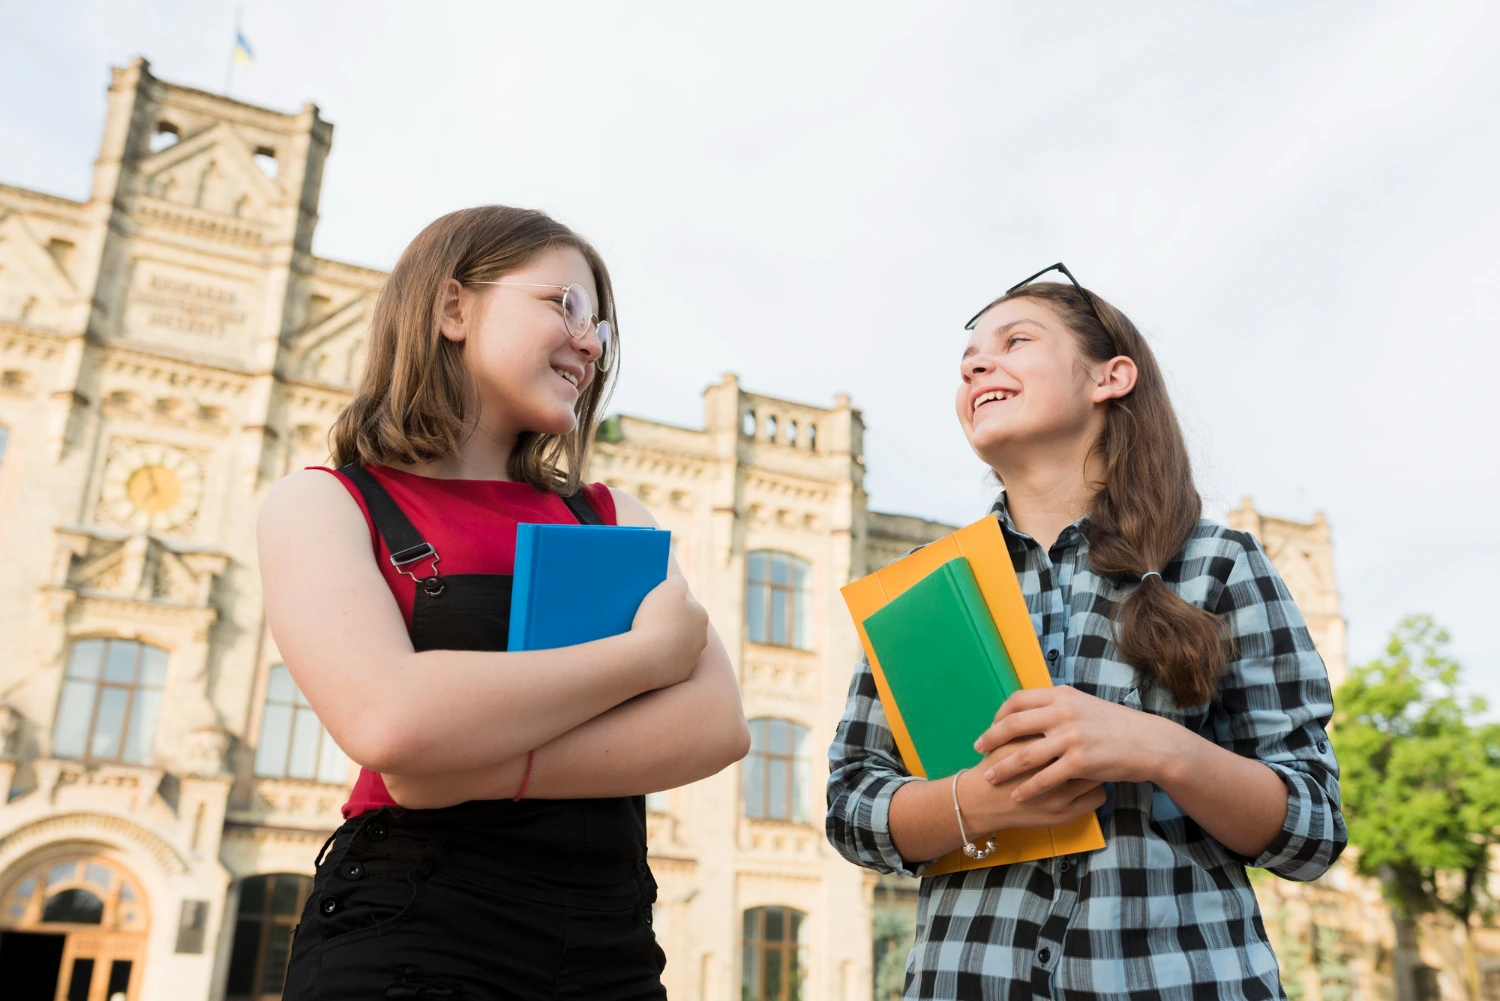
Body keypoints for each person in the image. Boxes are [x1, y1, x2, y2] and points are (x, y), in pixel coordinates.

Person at [259, 205, 750, 1000]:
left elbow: (714, 725)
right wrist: (643, 657)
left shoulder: (610, 510)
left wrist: (464, 768)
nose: (590, 342)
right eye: (567, 306)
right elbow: (391, 721)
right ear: (453, 307)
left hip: (610, 944)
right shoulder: (326, 503)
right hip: (411, 931)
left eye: (601, 326)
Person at [826, 264, 1346, 1000]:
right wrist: (976, 801)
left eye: (1015, 339)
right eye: (969, 358)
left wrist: (1161, 749)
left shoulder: (1219, 565)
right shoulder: (921, 587)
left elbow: (1315, 828)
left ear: (1111, 376)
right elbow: (851, 808)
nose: (978, 363)